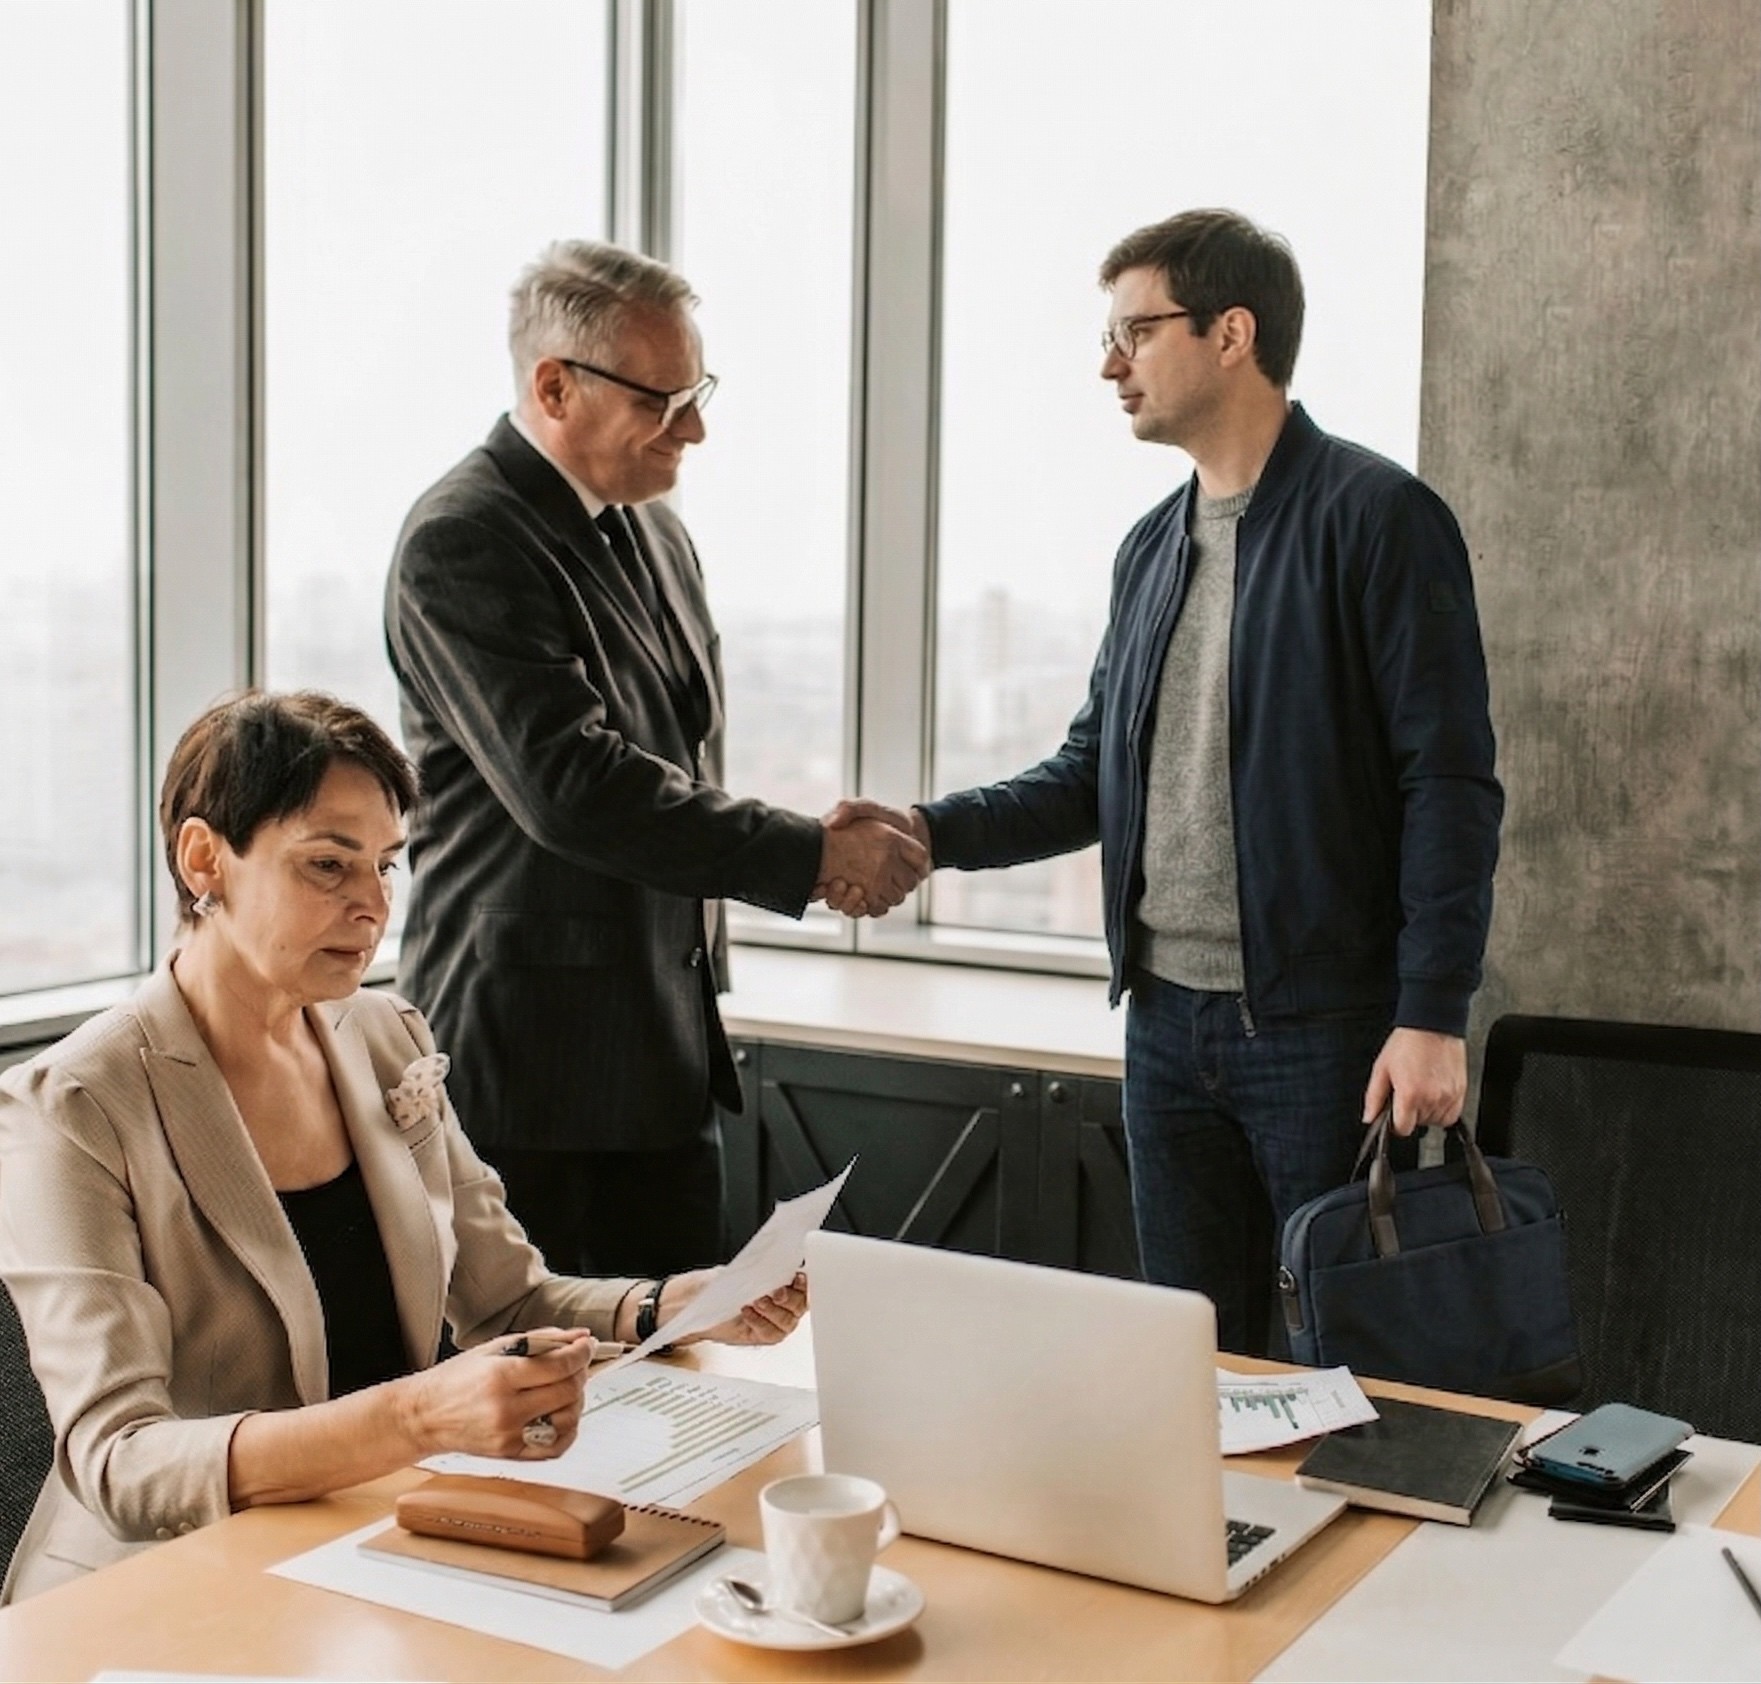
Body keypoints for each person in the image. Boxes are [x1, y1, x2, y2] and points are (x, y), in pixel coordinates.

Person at [826, 210, 1502, 1356]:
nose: (1109, 363)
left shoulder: (1379, 519)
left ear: (1232, 332)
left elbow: (1451, 781)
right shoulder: (1152, 546)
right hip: (1165, 1031)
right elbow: (1093, 771)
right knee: (1197, 1359)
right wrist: (928, 833)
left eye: (1135, 330)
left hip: (1326, 1032)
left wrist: (1432, 1013)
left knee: (1346, 1366)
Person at [0, 691, 806, 1605]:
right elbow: (122, 1463)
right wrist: (418, 1415)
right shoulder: (72, 1102)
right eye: (328, 866)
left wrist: (667, 1306)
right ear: (203, 859)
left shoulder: (387, 1036)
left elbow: (510, 1302)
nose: (373, 905)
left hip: (375, 1542)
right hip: (160, 1589)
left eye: (387, 866)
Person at [385, 240, 924, 1281]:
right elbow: (575, 787)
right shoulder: (463, 538)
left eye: (699, 392)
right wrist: (812, 855)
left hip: (663, 1058)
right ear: (554, 386)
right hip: (532, 1077)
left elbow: (679, 761)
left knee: (683, 1372)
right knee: (546, 1414)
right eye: (665, 399)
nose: (697, 427)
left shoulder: (656, 532)